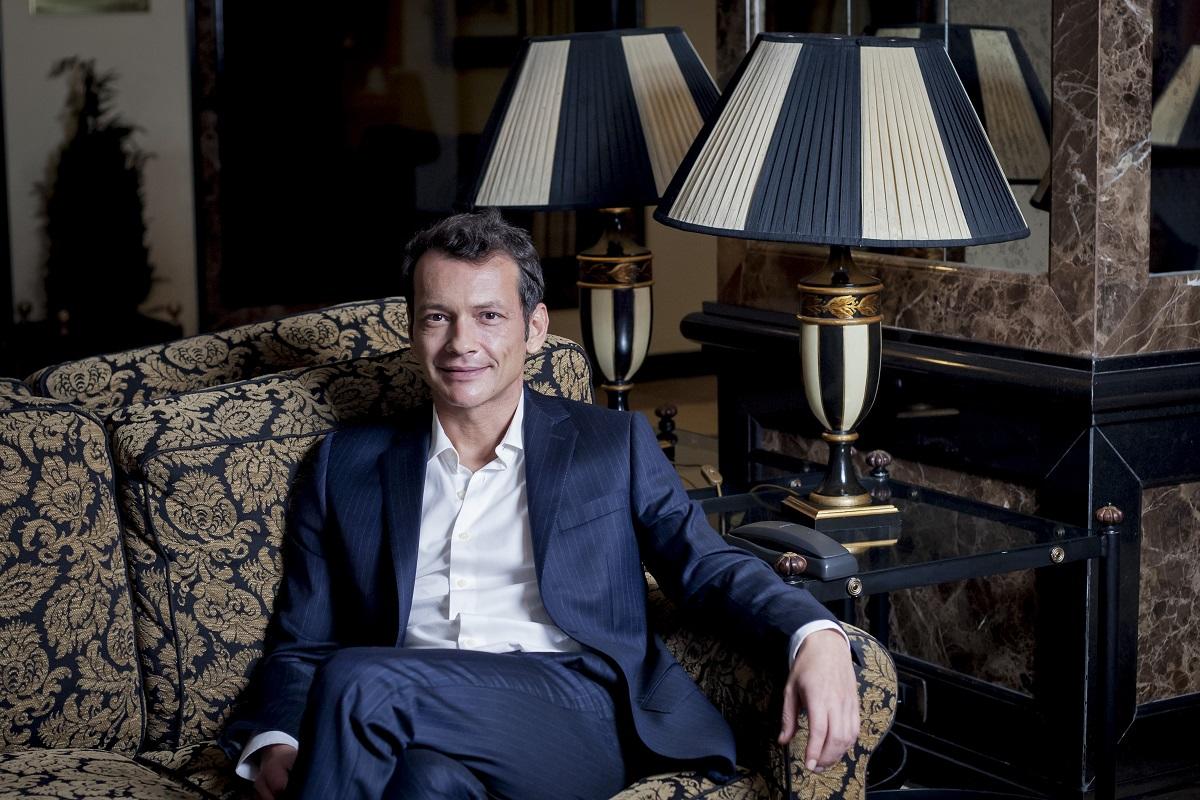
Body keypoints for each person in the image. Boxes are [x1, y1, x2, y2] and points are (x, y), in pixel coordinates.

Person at [219, 210, 859, 799]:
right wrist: (276, 738)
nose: (461, 343)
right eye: (438, 317)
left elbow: (706, 565)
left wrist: (814, 633)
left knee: (360, 680)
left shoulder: (610, 444)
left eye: (489, 316)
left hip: (574, 712)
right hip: (416, 722)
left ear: (534, 328)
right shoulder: (346, 465)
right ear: (413, 331)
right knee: (423, 783)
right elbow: (303, 641)